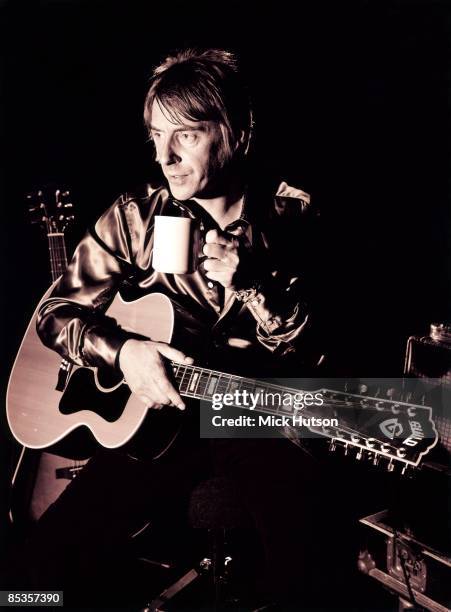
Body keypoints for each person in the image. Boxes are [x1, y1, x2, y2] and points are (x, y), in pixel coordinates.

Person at [5, 49, 360, 609]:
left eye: (186, 135)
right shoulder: (135, 216)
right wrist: (124, 355)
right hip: (157, 422)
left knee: (307, 574)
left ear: (237, 132)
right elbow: (54, 314)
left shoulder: (296, 219)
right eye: (155, 136)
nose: (165, 157)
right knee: (31, 581)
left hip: (252, 418)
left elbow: (324, 360)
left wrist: (258, 289)